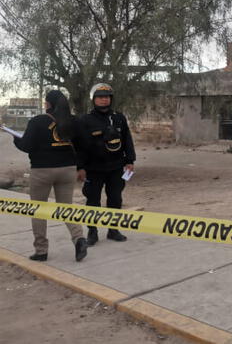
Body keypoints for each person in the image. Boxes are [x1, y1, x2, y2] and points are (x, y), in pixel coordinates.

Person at [8, 90, 88, 262]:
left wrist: (15, 138)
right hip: (67, 170)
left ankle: (41, 250)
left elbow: (27, 146)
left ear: (48, 104)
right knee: (66, 208)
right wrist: (80, 167)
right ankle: (79, 238)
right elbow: (82, 145)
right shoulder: (73, 121)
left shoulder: (38, 121)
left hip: (42, 170)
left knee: (38, 210)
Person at [80, 83, 136, 246]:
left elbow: (127, 140)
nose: (104, 100)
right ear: (94, 99)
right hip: (93, 169)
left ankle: (113, 230)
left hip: (116, 167)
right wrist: (80, 167)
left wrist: (130, 160)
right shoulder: (85, 120)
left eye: (107, 97)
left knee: (115, 199)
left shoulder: (119, 117)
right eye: (100, 97)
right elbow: (80, 146)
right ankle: (92, 232)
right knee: (92, 201)